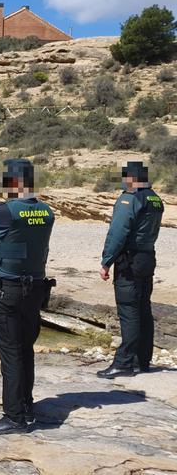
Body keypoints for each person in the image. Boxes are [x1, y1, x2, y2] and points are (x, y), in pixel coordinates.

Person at [0, 159, 56, 435]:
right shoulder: (46, 211)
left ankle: (15, 417)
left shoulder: (4, 212)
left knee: (11, 354)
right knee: (25, 349)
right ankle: (26, 407)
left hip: (8, 290)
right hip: (36, 290)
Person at [97, 161, 164, 379]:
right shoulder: (155, 198)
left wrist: (106, 261)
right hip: (147, 257)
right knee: (143, 308)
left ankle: (124, 363)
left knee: (129, 311)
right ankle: (142, 360)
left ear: (132, 178)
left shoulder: (130, 198)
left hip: (130, 261)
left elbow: (118, 232)